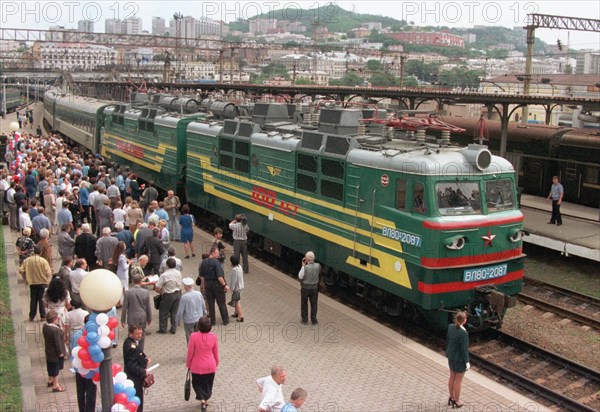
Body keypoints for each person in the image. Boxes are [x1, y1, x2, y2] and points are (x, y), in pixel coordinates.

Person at [186, 316, 219, 412]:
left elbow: (190, 352)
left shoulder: (193, 336)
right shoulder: (213, 337)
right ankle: (206, 398)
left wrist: (188, 364)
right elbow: (215, 351)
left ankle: (202, 400)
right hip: (210, 365)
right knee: (208, 384)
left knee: (197, 383)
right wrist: (216, 362)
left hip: (197, 366)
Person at [20, 245, 53, 321]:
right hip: (42, 283)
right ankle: (43, 316)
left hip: (32, 283)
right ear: (40, 252)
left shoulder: (27, 260)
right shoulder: (43, 261)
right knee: (41, 299)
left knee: (33, 299)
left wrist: (25, 278)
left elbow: (21, 270)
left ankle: (32, 316)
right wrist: (48, 282)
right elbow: (49, 273)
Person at [121, 274, 153, 352]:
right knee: (141, 334)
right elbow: (148, 306)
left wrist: (123, 320)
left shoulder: (128, 292)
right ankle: (140, 351)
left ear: (132, 281)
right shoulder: (146, 292)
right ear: (141, 281)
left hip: (132, 317)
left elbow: (124, 308)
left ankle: (133, 350)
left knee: (132, 334)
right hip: (142, 316)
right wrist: (150, 318)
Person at [199, 247, 230, 326]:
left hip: (208, 285)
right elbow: (219, 277)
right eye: (217, 253)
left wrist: (203, 285)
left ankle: (212, 321)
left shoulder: (204, 262)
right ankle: (225, 320)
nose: (218, 254)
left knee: (210, 303)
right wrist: (225, 285)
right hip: (217, 285)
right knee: (221, 303)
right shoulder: (216, 262)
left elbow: (202, 276)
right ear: (212, 253)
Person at [123, 324, 150, 412]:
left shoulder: (133, 342)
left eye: (141, 333)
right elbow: (131, 365)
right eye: (137, 334)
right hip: (134, 379)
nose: (140, 335)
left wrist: (145, 359)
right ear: (131, 333)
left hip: (136, 377)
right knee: (137, 400)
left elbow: (138, 354)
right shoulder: (130, 345)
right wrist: (143, 371)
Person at [446, 311, 469, 409]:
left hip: (451, 356)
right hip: (459, 360)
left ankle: (451, 397)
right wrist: (467, 362)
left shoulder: (450, 327)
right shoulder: (463, 333)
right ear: (464, 320)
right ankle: (457, 401)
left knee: (452, 377)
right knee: (458, 380)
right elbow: (464, 349)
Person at [154, 258, 182, 334]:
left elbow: (158, 287)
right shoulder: (178, 273)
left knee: (164, 311)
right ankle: (173, 329)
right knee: (174, 312)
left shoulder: (164, 275)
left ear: (167, 265)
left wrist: (158, 291)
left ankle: (163, 329)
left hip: (168, 294)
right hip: (178, 293)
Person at [176, 277, 206, 343]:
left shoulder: (184, 297)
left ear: (186, 287)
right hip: (199, 318)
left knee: (189, 336)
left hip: (188, 320)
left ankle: (191, 350)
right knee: (198, 335)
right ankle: (198, 348)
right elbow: (203, 305)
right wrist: (205, 314)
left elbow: (180, 311)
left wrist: (178, 320)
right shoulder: (198, 293)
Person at [42, 310, 66, 392]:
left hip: (49, 351)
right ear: (54, 319)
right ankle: (56, 385)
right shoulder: (55, 330)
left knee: (50, 366)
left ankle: (50, 380)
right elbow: (57, 343)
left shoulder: (45, 327)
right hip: (55, 353)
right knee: (56, 369)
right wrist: (60, 353)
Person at [299, 251, 321, 325]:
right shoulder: (318, 266)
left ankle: (305, 320)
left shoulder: (305, 267)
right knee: (314, 304)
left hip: (305, 288)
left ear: (307, 259)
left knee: (304, 304)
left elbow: (300, 276)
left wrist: (303, 266)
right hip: (314, 288)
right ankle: (314, 320)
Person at [229, 256, 244, 322]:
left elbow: (233, 280)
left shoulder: (234, 270)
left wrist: (231, 289)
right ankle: (236, 313)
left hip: (236, 288)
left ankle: (240, 316)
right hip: (240, 286)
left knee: (237, 302)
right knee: (236, 300)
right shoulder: (240, 267)